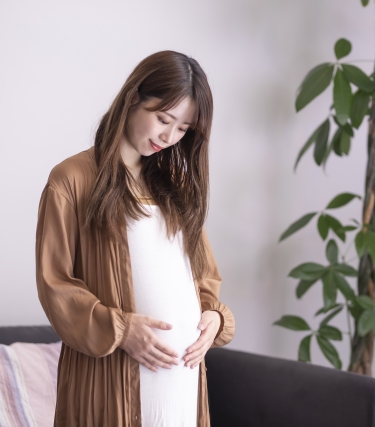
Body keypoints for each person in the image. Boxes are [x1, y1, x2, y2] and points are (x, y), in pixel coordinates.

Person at [35, 50, 235, 427]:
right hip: (110, 384)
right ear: (132, 98)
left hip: (183, 389)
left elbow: (204, 276)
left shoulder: (175, 186)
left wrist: (213, 316)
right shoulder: (72, 179)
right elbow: (55, 283)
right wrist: (122, 330)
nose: (169, 137)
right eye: (163, 119)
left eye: (183, 129)